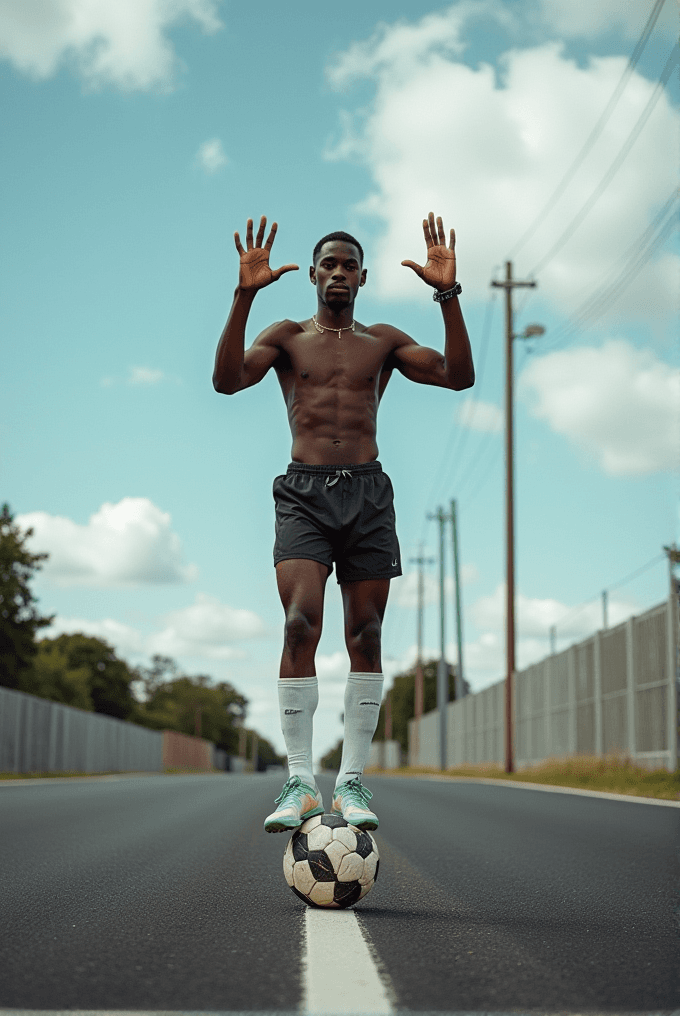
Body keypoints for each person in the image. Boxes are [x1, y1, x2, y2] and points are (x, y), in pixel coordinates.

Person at [213, 212, 474, 833]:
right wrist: (243, 297)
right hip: (303, 493)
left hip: (367, 493)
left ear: (362, 277)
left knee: (367, 633)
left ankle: (352, 783)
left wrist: (447, 295)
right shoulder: (285, 337)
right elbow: (225, 382)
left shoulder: (381, 341)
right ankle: (301, 780)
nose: (337, 273)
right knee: (301, 622)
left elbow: (457, 376)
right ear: (311, 274)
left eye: (348, 265)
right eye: (327, 264)